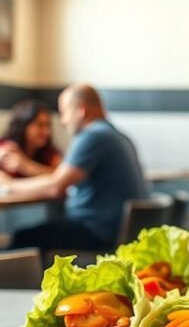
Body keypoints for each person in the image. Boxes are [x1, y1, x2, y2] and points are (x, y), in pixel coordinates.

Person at [0, 84, 148, 254]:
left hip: (98, 232)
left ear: (81, 110)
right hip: (120, 232)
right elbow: (60, 176)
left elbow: (55, 187)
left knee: (23, 238)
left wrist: (9, 184)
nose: (62, 122)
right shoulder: (118, 136)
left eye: (64, 113)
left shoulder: (93, 136)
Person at [0, 99, 63, 177]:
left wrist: (27, 167)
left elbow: (63, 176)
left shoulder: (49, 152)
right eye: (40, 125)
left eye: (48, 125)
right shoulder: (5, 147)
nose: (47, 132)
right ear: (23, 126)